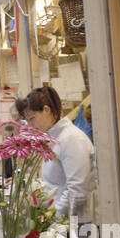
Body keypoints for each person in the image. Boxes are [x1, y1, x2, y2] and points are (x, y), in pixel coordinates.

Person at [15, 84, 95, 222]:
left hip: (76, 223)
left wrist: (51, 217)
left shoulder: (71, 138)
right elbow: (55, 184)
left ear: (46, 110)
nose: (29, 125)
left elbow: (77, 190)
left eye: (32, 118)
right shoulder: (54, 138)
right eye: (26, 120)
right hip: (60, 220)